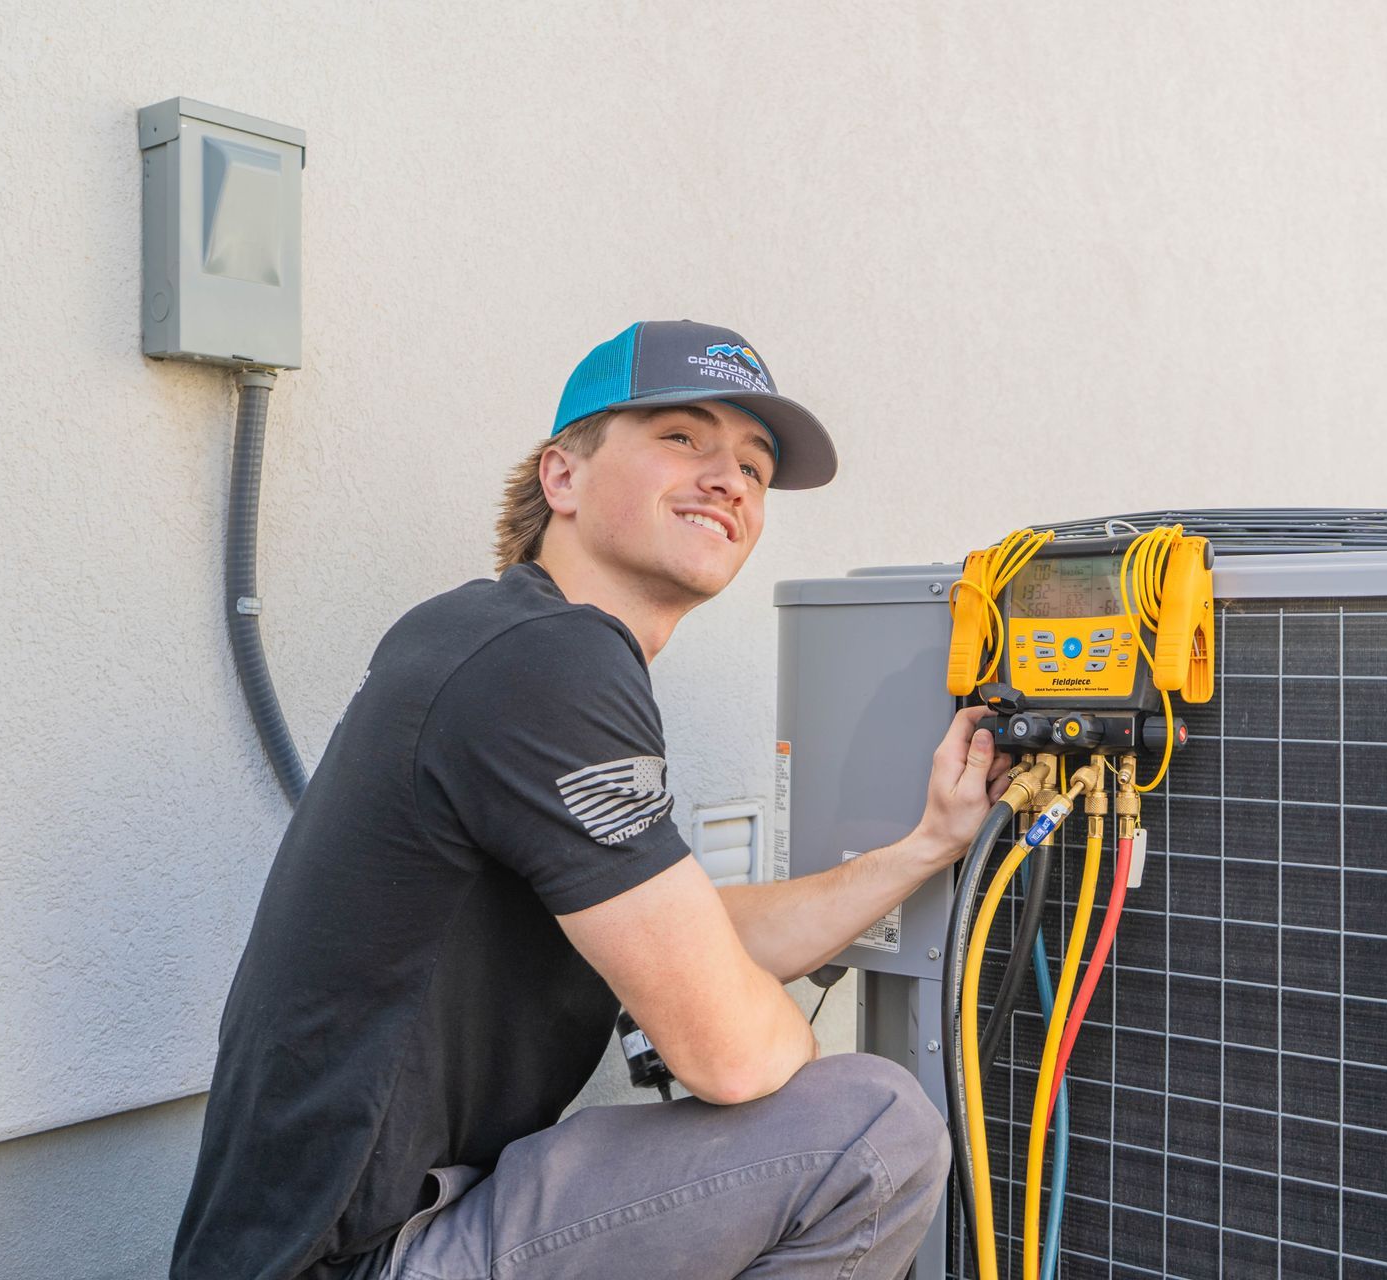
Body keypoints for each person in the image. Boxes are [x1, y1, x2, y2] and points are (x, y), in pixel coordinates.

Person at [170, 321, 1009, 1280]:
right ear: (562, 476)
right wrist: (765, 1032)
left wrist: (923, 848)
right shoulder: (546, 658)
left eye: (754, 466)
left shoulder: (504, 642)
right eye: (683, 438)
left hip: (392, 1222)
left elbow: (696, 930)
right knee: (877, 1128)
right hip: (356, 1257)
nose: (729, 479)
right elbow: (731, 1054)